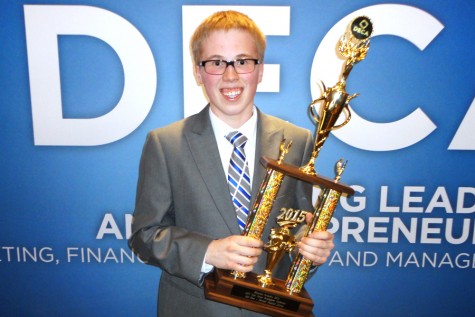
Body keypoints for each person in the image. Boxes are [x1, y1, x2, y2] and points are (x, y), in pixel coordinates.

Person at [129, 10, 334, 317]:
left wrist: (310, 250)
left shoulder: (299, 141)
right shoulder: (166, 144)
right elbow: (144, 236)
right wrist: (207, 252)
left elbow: (297, 230)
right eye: (215, 62)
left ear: (260, 69)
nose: (230, 75)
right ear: (198, 72)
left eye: (242, 61)